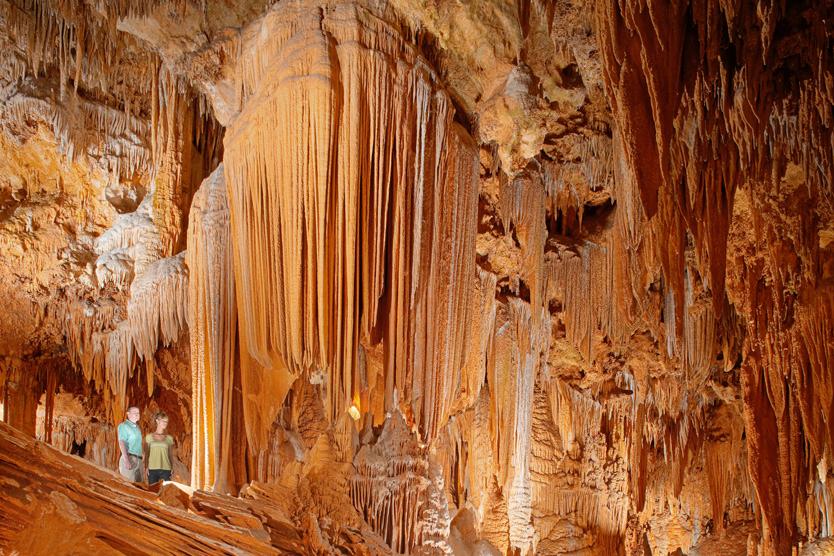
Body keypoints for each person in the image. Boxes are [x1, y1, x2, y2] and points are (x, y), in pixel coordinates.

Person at [144, 411, 175, 484]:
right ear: (157, 421)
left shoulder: (169, 438)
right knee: (153, 492)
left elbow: (170, 454)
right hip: (152, 470)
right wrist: (146, 467)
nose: (165, 423)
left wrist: (172, 467)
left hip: (166, 469)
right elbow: (147, 454)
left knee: (165, 492)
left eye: (166, 422)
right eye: (163, 421)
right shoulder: (148, 437)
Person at [117, 406, 144, 482]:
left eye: (138, 413)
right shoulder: (124, 426)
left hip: (139, 460)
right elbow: (122, 442)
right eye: (134, 413)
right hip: (130, 458)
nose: (137, 414)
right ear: (128, 414)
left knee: (140, 487)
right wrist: (126, 460)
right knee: (129, 485)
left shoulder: (137, 428)